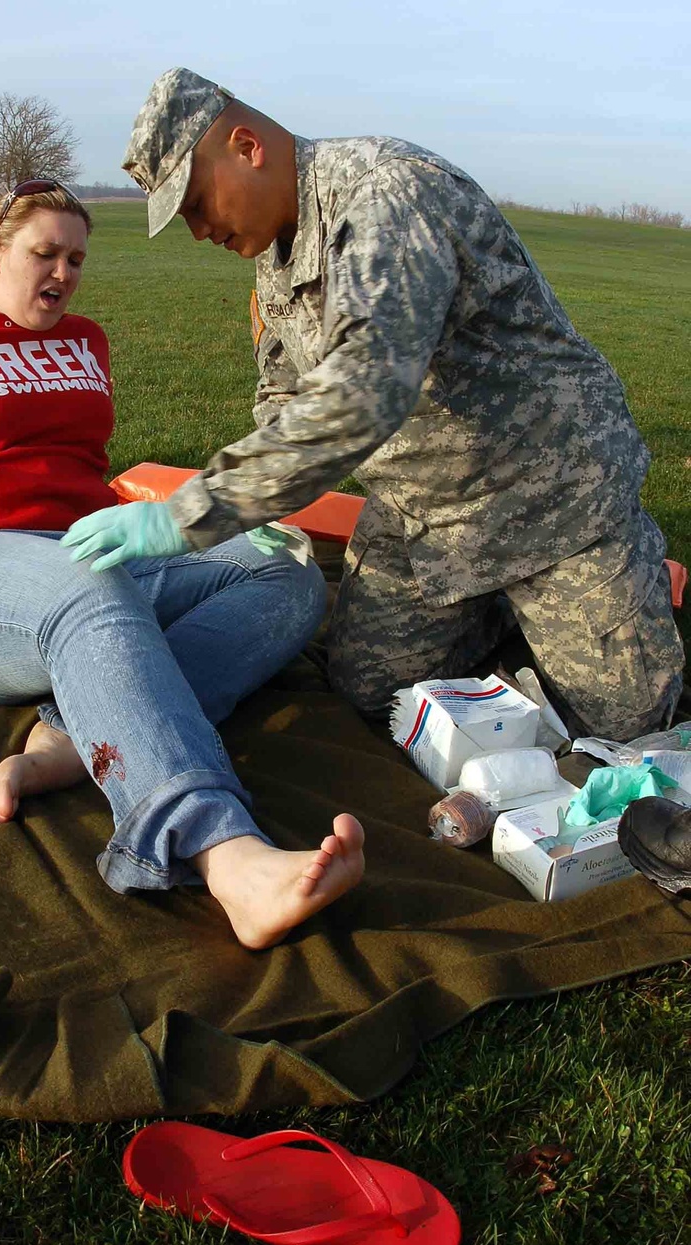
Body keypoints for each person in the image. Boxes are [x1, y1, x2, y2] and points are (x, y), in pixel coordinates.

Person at [0, 179, 365, 949]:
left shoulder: (84, 341)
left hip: (83, 561)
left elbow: (74, 468)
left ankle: (74, 737)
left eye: (77, 259)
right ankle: (224, 853)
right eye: (44, 254)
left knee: (287, 571)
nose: (62, 273)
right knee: (84, 585)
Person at [77, 67, 684, 743]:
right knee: (370, 691)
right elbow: (285, 391)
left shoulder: (389, 197)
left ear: (246, 147)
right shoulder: (275, 250)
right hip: (423, 513)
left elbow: (363, 392)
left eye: (195, 203)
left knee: (624, 733)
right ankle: (500, 614)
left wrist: (196, 513)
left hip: (553, 503)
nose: (197, 230)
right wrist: (262, 504)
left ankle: (581, 590)